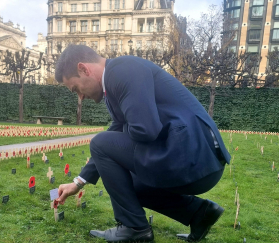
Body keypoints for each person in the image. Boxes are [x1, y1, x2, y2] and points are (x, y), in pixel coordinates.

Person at [55, 45, 230, 243]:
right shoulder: (115, 80)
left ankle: (134, 228)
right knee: (127, 183)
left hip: (195, 159)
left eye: (76, 89)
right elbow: (118, 134)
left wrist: (119, 137)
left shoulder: (122, 70)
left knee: (100, 143)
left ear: (84, 69)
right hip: (198, 162)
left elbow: (145, 129)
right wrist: (78, 182)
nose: (80, 97)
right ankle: (199, 213)